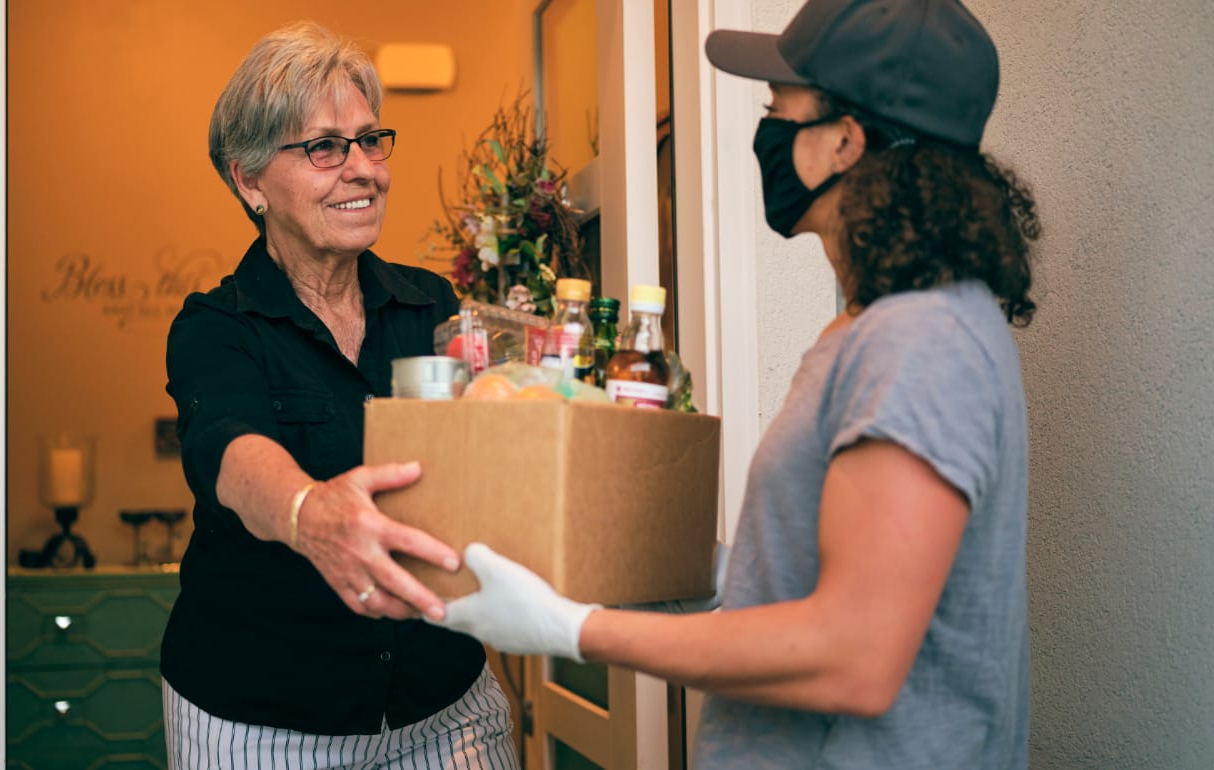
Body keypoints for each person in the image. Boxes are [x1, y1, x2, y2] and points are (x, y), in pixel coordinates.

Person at [434, 0, 1040, 767]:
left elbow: (852, 657)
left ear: (845, 143)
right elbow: (848, 571)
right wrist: (716, 574)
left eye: (777, 113)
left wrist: (569, 629)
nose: (766, 136)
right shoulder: (878, 325)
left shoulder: (920, 343)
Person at [160, 21, 518, 770]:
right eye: (325, 146)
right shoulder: (215, 327)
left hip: (447, 707)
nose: (363, 169)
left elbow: (492, 452)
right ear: (249, 180)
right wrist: (307, 510)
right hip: (261, 723)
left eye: (370, 139)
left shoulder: (429, 308)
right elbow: (230, 449)